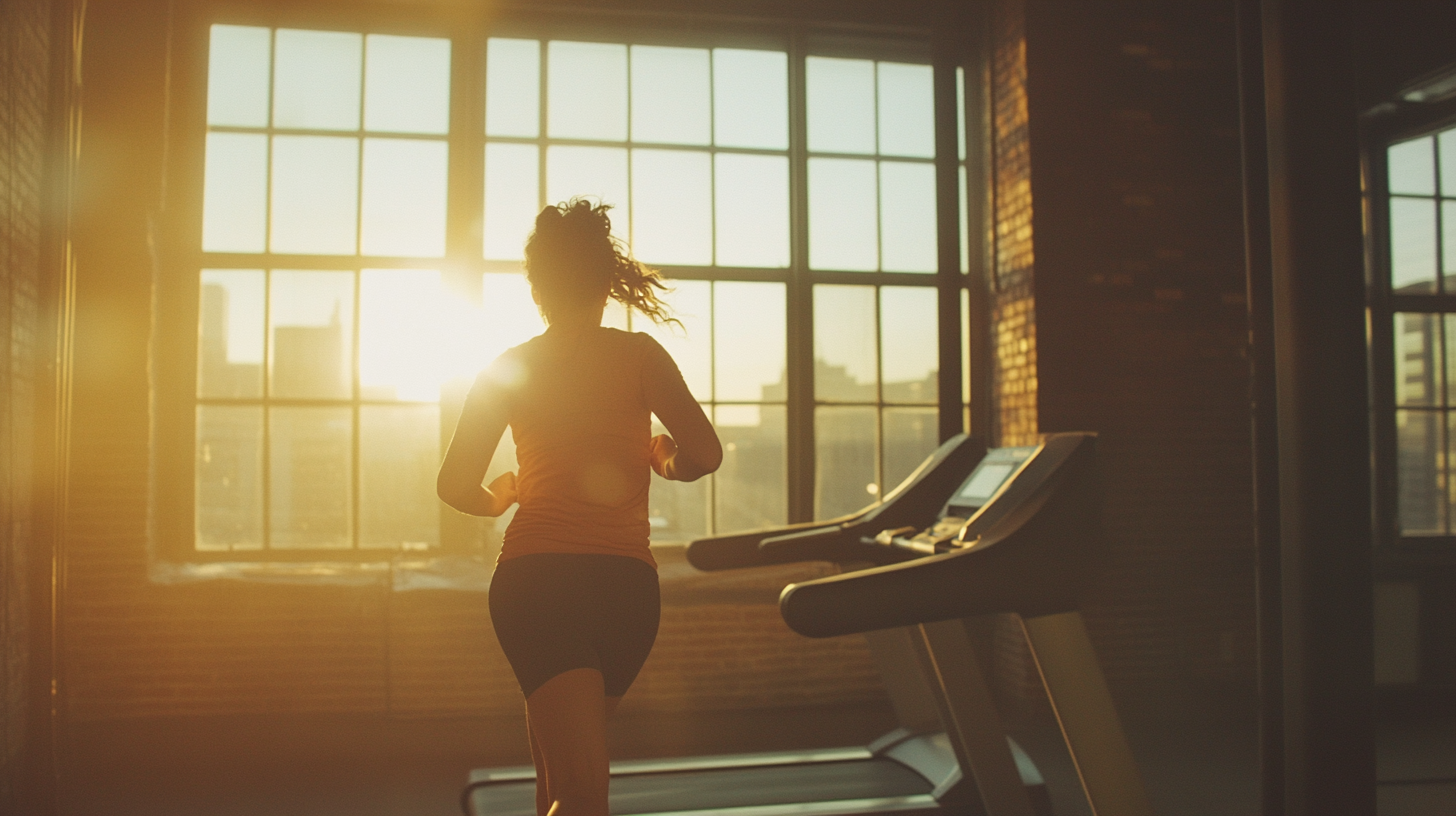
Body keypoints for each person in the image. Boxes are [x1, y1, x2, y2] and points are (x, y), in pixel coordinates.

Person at [438, 198, 722, 816]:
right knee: (567, 784)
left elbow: (454, 485)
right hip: (625, 590)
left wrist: (499, 499)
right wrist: (662, 460)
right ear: (605, 280)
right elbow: (704, 453)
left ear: (537, 286)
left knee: (574, 791)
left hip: (538, 581)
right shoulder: (640, 355)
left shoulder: (508, 366)